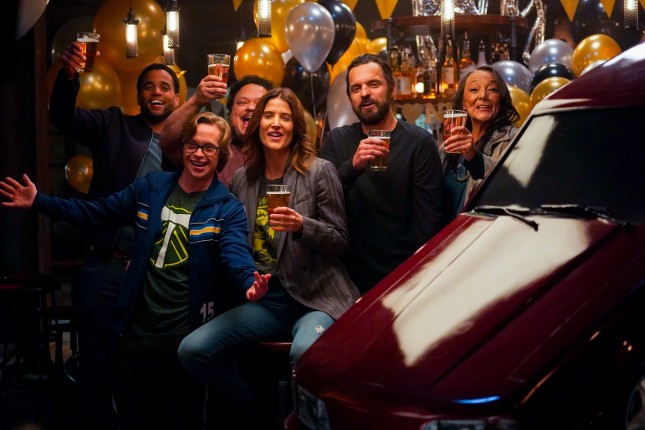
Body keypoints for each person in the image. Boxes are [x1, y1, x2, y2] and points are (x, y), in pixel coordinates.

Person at [0, 111, 271, 430]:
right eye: (193, 144)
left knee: (182, 420)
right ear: (183, 147)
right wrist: (40, 202)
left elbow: (235, 253)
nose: (199, 154)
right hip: (135, 334)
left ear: (221, 155)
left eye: (209, 147)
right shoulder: (151, 188)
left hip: (185, 337)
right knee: (133, 418)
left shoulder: (227, 208)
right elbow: (96, 212)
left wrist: (248, 281)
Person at [177, 87, 360, 429]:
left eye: (285, 117)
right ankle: (257, 411)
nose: (276, 123)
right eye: (269, 116)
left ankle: (303, 423)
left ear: (295, 128)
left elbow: (340, 240)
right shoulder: (243, 180)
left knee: (303, 354)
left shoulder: (319, 171)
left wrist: (303, 226)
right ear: (257, 124)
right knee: (193, 350)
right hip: (267, 300)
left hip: (315, 298)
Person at [49, 42, 181, 430]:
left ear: (176, 98)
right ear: (138, 96)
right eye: (148, 86)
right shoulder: (113, 124)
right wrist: (68, 77)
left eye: (165, 87)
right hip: (108, 262)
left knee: (145, 361)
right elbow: (62, 116)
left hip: (156, 272)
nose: (156, 92)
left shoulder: (186, 144)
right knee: (97, 360)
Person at [319, 53, 444, 294]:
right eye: (356, 88)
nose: (365, 93)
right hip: (344, 282)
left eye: (373, 84)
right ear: (350, 98)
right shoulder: (336, 140)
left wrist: (415, 284)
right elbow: (321, 204)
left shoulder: (419, 143)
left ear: (392, 89)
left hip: (402, 279)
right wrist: (352, 167)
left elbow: (428, 225)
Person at [161, 74, 273, 187]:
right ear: (230, 111)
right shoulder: (214, 147)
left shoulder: (277, 154)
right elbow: (168, 139)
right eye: (242, 102)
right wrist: (196, 101)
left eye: (259, 104)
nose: (251, 107)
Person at [441, 65, 520, 223]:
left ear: (501, 100)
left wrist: (474, 156)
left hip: (481, 232)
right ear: (463, 103)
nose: (483, 95)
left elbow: (514, 185)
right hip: (447, 236)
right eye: (474, 90)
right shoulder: (449, 143)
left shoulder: (515, 139)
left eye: (492, 90)